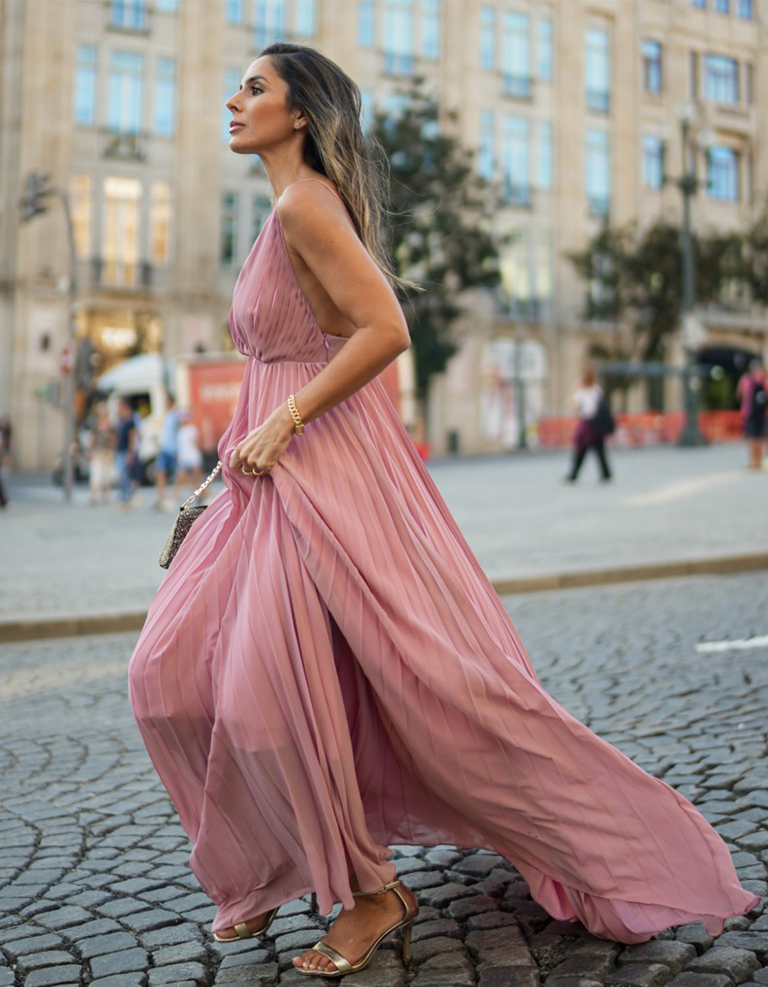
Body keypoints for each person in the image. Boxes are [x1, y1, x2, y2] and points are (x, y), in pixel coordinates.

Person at [128, 42, 758, 979]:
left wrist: (288, 416)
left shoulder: (306, 205)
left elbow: (388, 328)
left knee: (282, 694)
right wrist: (253, 437)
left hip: (318, 474)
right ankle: (276, 865)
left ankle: (372, 891)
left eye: (254, 87)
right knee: (170, 674)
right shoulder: (282, 212)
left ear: (301, 113)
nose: (232, 98)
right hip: (272, 477)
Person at [565, 368, 613, 483]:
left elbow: (571, 403)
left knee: (581, 449)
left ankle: (573, 474)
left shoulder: (581, 392)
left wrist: (574, 387)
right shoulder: (597, 390)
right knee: (599, 450)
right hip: (597, 424)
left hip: (587, 424)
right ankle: (606, 474)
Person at [736, 358, 767, 470]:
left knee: (752, 437)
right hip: (763, 413)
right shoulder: (764, 379)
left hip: (750, 412)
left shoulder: (746, 379)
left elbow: (739, 394)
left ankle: (755, 461)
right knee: (760, 437)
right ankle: (759, 461)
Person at [171, 411, 204, 502]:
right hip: (183, 457)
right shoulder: (180, 431)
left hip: (193, 456)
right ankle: (176, 497)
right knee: (179, 478)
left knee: (198, 478)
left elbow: (195, 443)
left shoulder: (191, 429)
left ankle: (202, 494)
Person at [87, 403, 116, 506]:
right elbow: (91, 439)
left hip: (107, 454)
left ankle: (106, 495)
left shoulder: (111, 426)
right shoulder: (95, 426)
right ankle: (94, 496)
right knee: (96, 474)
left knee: (107, 476)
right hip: (97, 453)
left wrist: (111, 441)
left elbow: (114, 440)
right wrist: (89, 451)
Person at [155, 394, 180, 510]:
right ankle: (161, 497)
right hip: (164, 447)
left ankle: (174, 496)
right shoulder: (166, 415)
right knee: (160, 472)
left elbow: (178, 433)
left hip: (173, 448)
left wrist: (178, 449)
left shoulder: (176, 415)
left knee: (177, 474)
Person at [115, 397, 139, 508]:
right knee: (122, 474)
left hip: (125, 450)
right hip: (120, 449)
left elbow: (132, 436)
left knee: (124, 473)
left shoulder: (130, 420)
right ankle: (126, 495)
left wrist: (130, 452)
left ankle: (127, 495)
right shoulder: (122, 419)